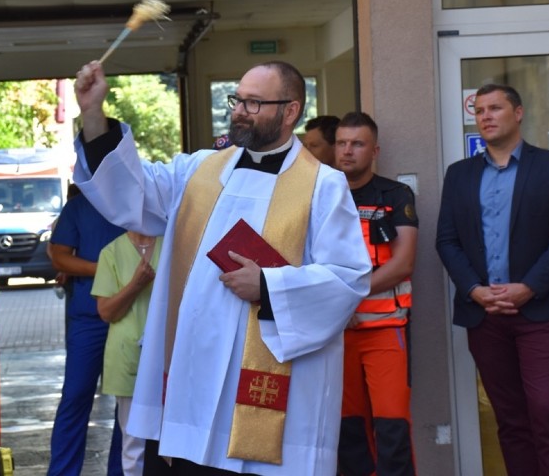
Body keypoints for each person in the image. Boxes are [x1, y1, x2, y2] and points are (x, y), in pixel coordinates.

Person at [71, 59, 371, 475]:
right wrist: (92, 115)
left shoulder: (323, 185)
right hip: (196, 367)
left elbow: (348, 278)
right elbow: (131, 193)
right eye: (237, 99)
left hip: (270, 381)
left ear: (290, 111)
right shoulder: (197, 171)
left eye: (253, 102)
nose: (239, 111)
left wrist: (267, 285)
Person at [436, 84, 549, 476]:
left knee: (547, 409)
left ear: (518, 113)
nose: (485, 116)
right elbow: (447, 241)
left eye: (495, 108)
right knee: (511, 418)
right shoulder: (460, 175)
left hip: (543, 310)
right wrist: (475, 290)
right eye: (480, 110)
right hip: (485, 314)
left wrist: (528, 287)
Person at [334, 112, 418, 476]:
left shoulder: (395, 195)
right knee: (348, 433)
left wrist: (347, 299)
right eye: (341, 143)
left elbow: (402, 264)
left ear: (375, 150)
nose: (347, 151)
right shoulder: (320, 194)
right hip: (335, 334)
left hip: (385, 330)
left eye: (357, 144)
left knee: (392, 429)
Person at [47, 188, 126, 476]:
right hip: (88, 316)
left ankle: (121, 471)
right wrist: (108, 268)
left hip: (133, 313)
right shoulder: (80, 207)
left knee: (127, 400)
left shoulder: (140, 202)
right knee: (76, 395)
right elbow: (59, 257)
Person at [92, 231, 162, 476]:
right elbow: (107, 312)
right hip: (127, 356)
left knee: (172, 438)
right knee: (134, 444)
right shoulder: (111, 252)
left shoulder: (172, 244)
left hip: (170, 356)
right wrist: (136, 285)